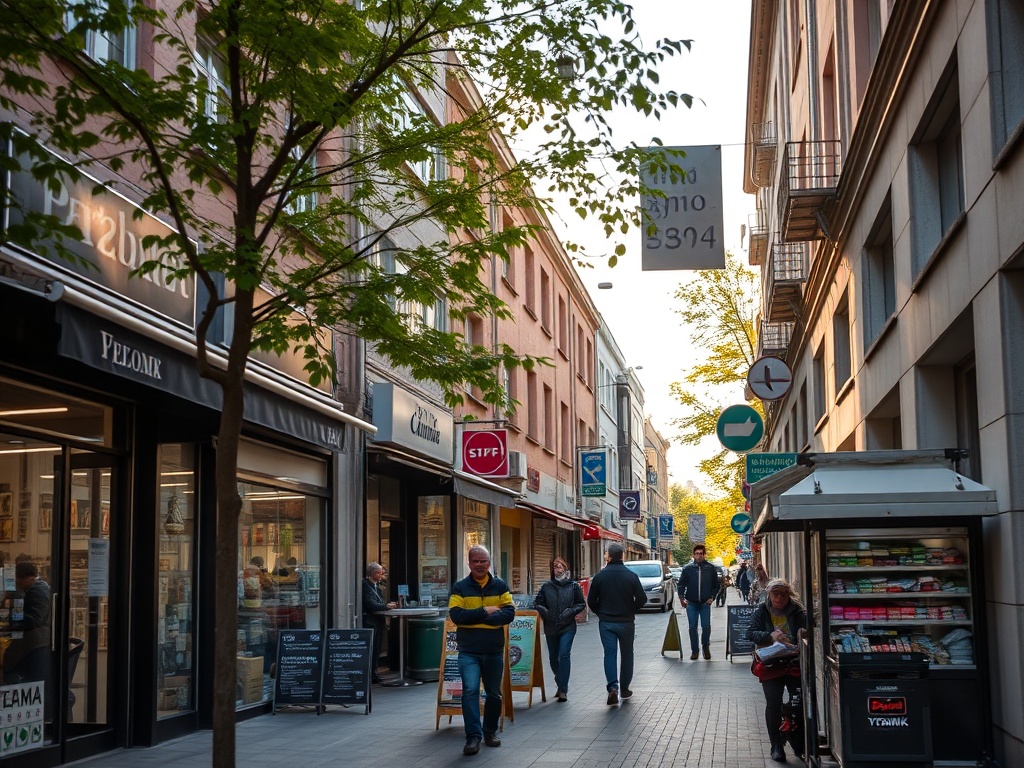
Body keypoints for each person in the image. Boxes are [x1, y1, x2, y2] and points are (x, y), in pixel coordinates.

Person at [448, 545, 515, 756]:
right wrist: (486, 611)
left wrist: (475, 618)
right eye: (475, 561)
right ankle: (473, 737)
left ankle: (490, 732)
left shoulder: (500, 585)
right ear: (469, 563)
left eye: (483, 561)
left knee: (494, 693)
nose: (479, 565)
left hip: (493, 650)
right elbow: (456, 616)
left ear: (489, 563)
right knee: (470, 692)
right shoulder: (460, 587)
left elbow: (509, 614)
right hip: (468, 651)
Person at [746, 579, 807, 763]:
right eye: (775, 594)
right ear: (769, 595)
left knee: (798, 703)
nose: (779, 598)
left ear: (789, 595)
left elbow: (809, 629)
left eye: (783, 594)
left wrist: (798, 639)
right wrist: (770, 636)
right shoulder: (762, 611)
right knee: (773, 704)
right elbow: (751, 633)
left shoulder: (797, 611)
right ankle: (776, 745)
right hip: (771, 664)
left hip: (794, 662)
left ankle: (798, 741)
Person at [586, 543, 646, 705]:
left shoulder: (600, 576)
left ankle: (613, 687)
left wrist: (601, 613)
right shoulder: (631, 576)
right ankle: (625, 688)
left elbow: (591, 600)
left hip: (607, 622)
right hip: (626, 622)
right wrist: (631, 610)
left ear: (608, 556)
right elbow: (642, 599)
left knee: (610, 653)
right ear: (622, 556)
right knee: (627, 654)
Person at [533, 557, 586, 702]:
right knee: (553, 658)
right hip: (551, 626)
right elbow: (537, 603)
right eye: (555, 567)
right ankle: (560, 680)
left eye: (559, 566)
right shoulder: (547, 586)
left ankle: (563, 689)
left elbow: (581, 603)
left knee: (564, 654)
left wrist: (570, 611)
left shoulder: (573, 586)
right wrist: (545, 612)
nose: (557, 569)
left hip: (567, 626)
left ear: (565, 569)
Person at [3, 562, 52, 685]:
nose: (16, 584)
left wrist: (11, 619)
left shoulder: (38, 591)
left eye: (18, 581)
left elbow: (35, 619)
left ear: (27, 579)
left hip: (34, 645)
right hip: (35, 644)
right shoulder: (36, 588)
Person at [678, 544, 720, 660]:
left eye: (701, 553)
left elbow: (716, 585)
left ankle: (705, 647)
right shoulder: (688, 569)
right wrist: (681, 598)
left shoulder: (710, 568)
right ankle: (695, 651)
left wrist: (712, 597)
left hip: (705, 603)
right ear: (693, 555)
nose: (699, 556)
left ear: (704, 555)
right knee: (692, 627)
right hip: (691, 603)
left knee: (706, 626)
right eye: (697, 554)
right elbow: (681, 584)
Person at [362, 562, 397, 684]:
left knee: (377, 648)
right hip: (371, 622)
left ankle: (374, 672)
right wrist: (386, 606)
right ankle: (371, 674)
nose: (382, 576)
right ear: (374, 573)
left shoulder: (376, 586)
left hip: (377, 621)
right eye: (380, 573)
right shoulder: (366, 585)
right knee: (372, 648)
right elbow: (370, 604)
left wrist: (385, 606)